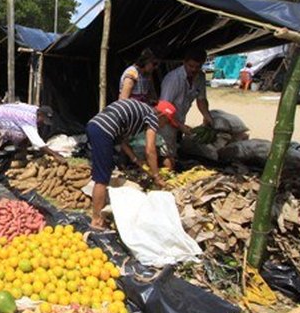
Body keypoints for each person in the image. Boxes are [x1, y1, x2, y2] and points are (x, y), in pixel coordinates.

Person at [87, 99, 175, 228]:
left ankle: (98, 214)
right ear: (162, 115)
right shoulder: (153, 117)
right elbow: (150, 149)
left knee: (105, 169)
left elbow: (123, 141)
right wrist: (156, 176)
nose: (163, 126)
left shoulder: (142, 112)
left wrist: (136, 160)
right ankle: (96, 220)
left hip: (95, 125)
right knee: (102, 178)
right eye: (166, 122)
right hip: (104, 130)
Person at [0, 103, 65, 181]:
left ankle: (22, 158)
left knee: (23, 136)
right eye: (43, 121)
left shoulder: (36, 111)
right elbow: (37, 142)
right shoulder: (28, 120)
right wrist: (56, 155)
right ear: (40, 115)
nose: (42, 124)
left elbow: (27, 136)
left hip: (4, 115)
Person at [159, 48, 214, 168]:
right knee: (167, 152)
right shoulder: (173, 79)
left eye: (197, 67)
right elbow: (163, 108)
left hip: (180, 117)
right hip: (166, 120)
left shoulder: (200, 77)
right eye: (191, 66)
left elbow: (201, 99)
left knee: (173, 150)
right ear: (184, 62)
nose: (194, 70)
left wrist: (207, 116)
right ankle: (166, 178)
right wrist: (180, 126)